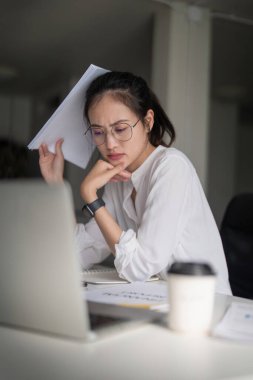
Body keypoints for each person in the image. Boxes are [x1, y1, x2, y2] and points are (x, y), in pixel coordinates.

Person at [39, 70, 231, 294]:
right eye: (98, 132)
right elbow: (76, 255)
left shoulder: (171, 167)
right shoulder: (117, 181)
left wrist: (90, 195)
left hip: (204, 307)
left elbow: (140, 266)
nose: (110, 144)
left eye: (120, 129)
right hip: (159, 301)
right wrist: (56, 186)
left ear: (148, 121)